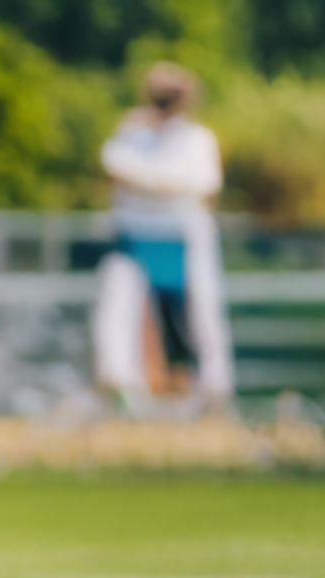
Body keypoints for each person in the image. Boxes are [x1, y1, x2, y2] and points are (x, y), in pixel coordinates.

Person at [91, 62, 234, 415]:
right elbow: (115, 163)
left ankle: (214, 390)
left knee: (201, 313)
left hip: (182, 239)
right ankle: (117, 381)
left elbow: (202, 183)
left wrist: (150, 182)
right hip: (135, 237)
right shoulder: (132, 134)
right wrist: (164, 183)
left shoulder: (196, 139)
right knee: (117, 306)